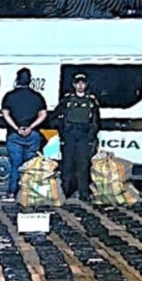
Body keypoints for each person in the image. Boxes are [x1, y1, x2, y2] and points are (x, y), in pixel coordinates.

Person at [51, 72, 100, 201]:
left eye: (82, 83)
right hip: (69, 136)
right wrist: (62, 131)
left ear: (86, 85)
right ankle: (65, 193)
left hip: (83, 137)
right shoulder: (67, 100)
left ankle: (83, 194)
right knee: (67, 166)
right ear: (74, 85)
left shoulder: (91, 101)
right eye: (78, 83)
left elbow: (96, 122)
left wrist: (90, 136)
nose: (80, 86)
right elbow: (54, 117)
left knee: (83, 166)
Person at [1, 67, 48, 202]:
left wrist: (17, 128)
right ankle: (28, 193)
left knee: (16, 164)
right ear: (30, 80)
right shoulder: (37, 96)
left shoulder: (9, 96)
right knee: (30, 165)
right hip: (33, 134)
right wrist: (31, 127)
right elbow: (43, 114)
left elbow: (5, 114)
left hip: (14, 135)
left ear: (17, 80)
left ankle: (12, 193)